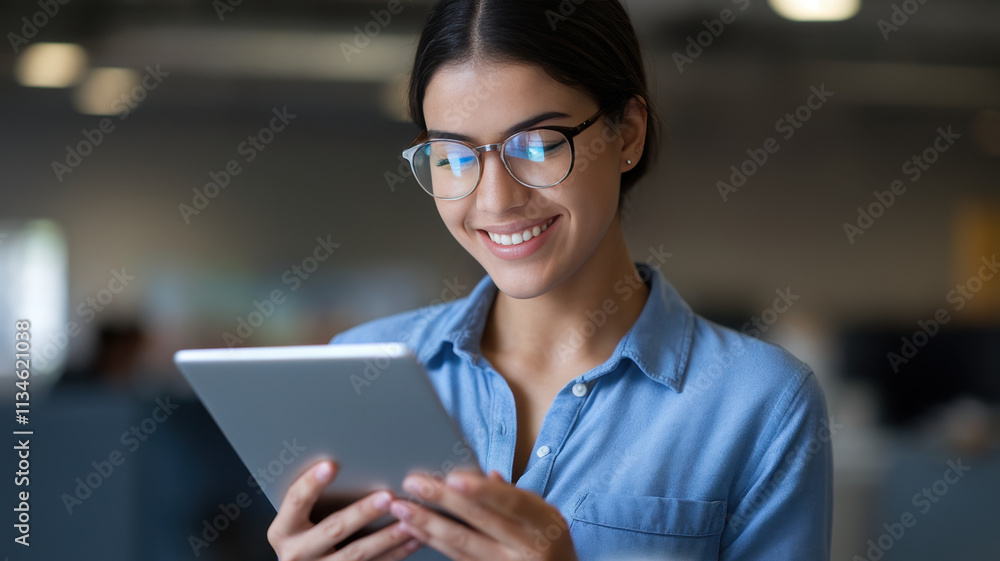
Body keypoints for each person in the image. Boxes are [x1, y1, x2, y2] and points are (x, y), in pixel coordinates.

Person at [267, 1, 832, 560]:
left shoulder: (759, 403)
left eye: (537, 145)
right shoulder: (363, 366)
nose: (496, 201)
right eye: (454, 156)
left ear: (628, 134)